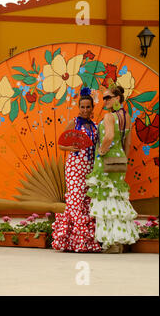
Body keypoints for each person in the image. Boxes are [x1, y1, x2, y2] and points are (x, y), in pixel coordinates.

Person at [85, 84, 139, 253]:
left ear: (118, 99)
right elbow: (127, 142)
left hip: (106, 160)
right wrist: (123, 158)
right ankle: (120, 240)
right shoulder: (127, 117)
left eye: (108, 97)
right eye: (104, 98)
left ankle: (111, 242)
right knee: (117, 199)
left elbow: (108, 136)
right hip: (120, 159)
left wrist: (101, 151)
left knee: (105, 199)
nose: (105, 101)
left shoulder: (109, 117)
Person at [51, 88, 102, 252]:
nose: (85, 110)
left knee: (87, 202)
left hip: (89, 167)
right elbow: (60, 144)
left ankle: (82, 241)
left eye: (88, 107)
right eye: (83, 107)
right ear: (78, 107)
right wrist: (70, 148)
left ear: (92, 108)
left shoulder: (94, 125)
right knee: (75, 201)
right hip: (74, 167)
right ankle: (75, 241)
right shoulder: (74, 122)